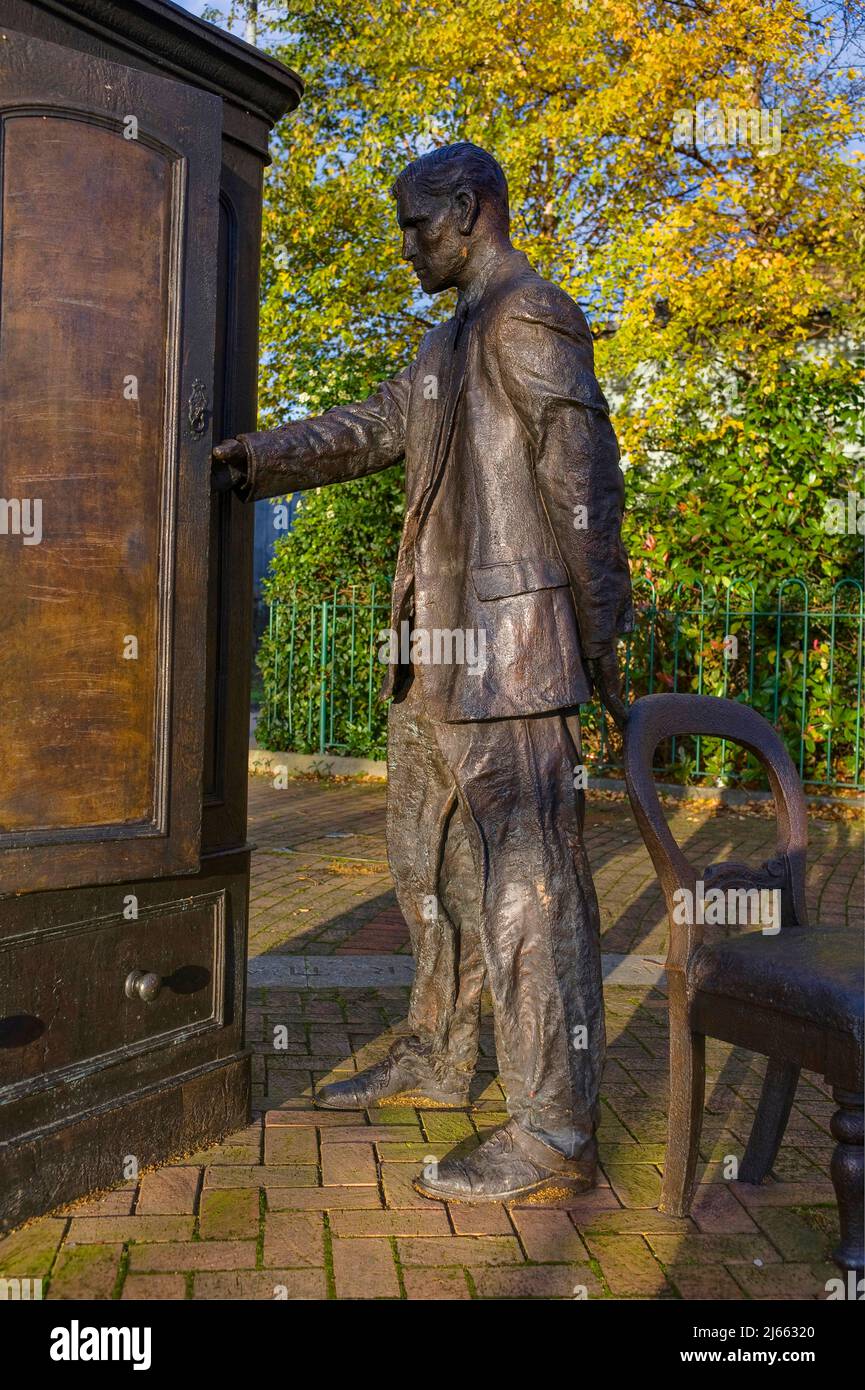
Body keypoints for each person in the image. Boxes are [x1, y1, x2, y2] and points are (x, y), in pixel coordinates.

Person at [214, 142, 633, 1203]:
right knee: (426, 864)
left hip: (513, 660)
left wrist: (599, 633)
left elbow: (583, 482)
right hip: (433, 658)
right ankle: (440, 1050)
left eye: (414, 225)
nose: (404, 246)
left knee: (528, 892)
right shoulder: (448, 342)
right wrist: (254, 459)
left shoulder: (531, 315)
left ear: (466, 207)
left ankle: (553, 1128)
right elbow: (367, 430)